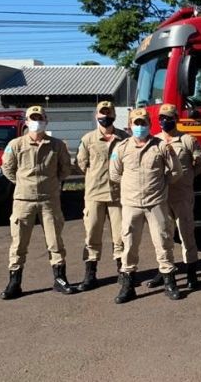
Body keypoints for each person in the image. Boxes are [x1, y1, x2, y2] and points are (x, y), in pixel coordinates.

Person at [0, 105, 75, 299]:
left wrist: (52, 183)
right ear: (26, 122)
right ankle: (14, 282)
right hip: (23, 201)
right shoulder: (16, 144)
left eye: (40, 118)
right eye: (33, 118)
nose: (36, 122)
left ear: (46, 120)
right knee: (18, 243)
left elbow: (65, 168)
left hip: (49, 200)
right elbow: (7, 168)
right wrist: (24, 184)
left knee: (55, 241)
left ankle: (60, 278)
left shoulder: (56, 145)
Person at [110, 108, 182, 304]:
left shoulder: (161, 147)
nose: (140, 127)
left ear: (149, 125)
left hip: (155, 204)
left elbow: (175, 172)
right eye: (136, 123)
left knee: (163, 242)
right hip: (131, 205)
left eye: (143, 123)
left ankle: (169, 282)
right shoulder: (121, 148)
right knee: (129, 245)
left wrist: (160, 185)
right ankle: (128, 285)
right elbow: (114, 174)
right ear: (130, 125)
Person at [147, 103, 201, 290]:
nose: (165, 121)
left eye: (169, 117)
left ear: (176, 119)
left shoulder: (188, 140)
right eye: (162, 118)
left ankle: (191, 273)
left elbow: (200, 163)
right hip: (160, 197)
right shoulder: (154, 141)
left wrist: (187, 177)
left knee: (186, 234)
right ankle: (164, 271)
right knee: (163, 236)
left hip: (182, 195)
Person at [76, 101, 128, 291]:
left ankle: (123, 272)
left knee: (121, 235)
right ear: (96, 115)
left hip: (118, 195)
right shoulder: (88, 139)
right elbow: (82, 164)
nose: (105, 116)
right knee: (92, 235)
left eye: (109, 113)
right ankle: (90, 274)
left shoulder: (124, 138)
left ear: (114, 115)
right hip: (95, 194)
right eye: (102, 113)